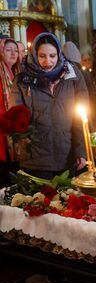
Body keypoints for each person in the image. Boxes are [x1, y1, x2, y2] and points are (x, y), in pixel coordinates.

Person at [9, 32, 88, 179]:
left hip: (67, 155)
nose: (48, 62)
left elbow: (81, 118)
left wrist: (81, 151)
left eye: (52, 56)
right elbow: (15, 115)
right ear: (34, 55)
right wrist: (22, 138)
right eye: (42, 56)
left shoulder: (72, 75)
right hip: (35, 159)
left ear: (59, 54)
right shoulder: (23, 78)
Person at [0, 38, 21, 187]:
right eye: (8, 50)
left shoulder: (16, 72)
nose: (13, 53)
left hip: (13, 130)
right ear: (1, 52)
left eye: (16, 50)